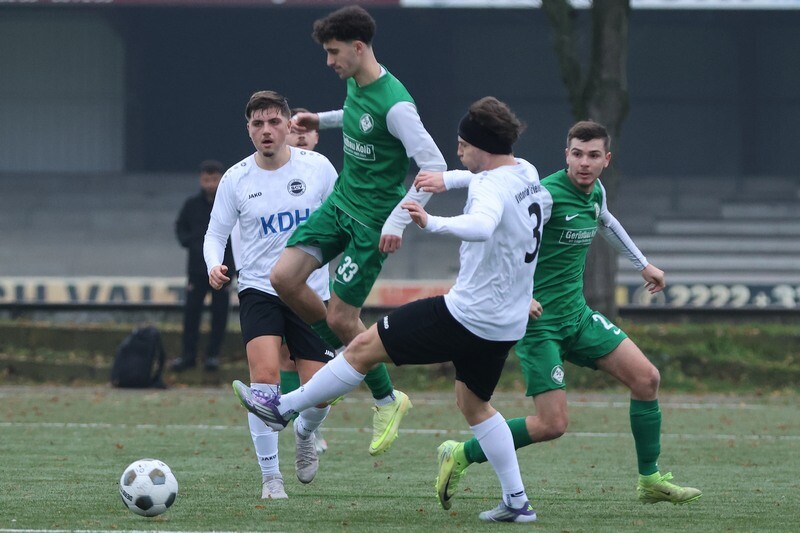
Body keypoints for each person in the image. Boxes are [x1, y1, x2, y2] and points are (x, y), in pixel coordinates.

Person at [234, 96, 543, 523]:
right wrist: (444, 180)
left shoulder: (489, 187)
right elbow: (497, 206)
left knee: (361, 347)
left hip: (465, 315)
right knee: (474, 405)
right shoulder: (526, 173)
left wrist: (432, 223)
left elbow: (483, 224)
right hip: (505, 323)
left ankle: (284, 408)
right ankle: (516, 501)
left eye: (462, 145)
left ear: (481, 146)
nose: (457, 151)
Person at [416, 120, 703, 509]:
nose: (584, 163)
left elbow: (606, 220)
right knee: (552, 425)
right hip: (539, 325)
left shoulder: (595, 191)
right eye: (577, 154)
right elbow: (504, 240)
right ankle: (462, 452)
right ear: (566, 155)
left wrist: (643, 264)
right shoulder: (546, 195)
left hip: (578, 317)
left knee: (647, 379)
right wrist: (520, 295)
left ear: (606, 160)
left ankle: (650, 480)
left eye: (593, 155)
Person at [269, 5, 447, 456]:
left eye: (334, 53)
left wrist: (398, 220)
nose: (329, 61)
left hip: (373, 223)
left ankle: (387, 399)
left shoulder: (397, 105)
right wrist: (320, 120)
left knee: (341, 318)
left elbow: (434, 166)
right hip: (341, 204)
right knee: (283, 278)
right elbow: (356, 116)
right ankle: (340, 360)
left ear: (358, 47)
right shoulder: (354, 82)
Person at [204, 90, 338, 500]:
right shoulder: (236, 178)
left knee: (321, 392)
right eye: (257, 123)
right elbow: (215, 234)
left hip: (309, 290)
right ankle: (270, 478)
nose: (266, 130)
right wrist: (214, 264)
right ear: (248, 129)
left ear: (288, 125)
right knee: (264, 383)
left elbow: (343, 217)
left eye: (274, 121)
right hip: (259, 289)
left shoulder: (318, 168)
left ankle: (305, 432)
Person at [172, 160, 234, 372]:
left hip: (224, 269)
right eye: (207, 180)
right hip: (197, 269)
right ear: (201, 179)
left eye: (214, 179)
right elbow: (180, 227)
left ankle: (213, 356)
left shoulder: (229, 204)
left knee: (219, 314)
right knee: (191, 314)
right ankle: (188, 356)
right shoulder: (191, 205)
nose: (210, 184)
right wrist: (190, 242)